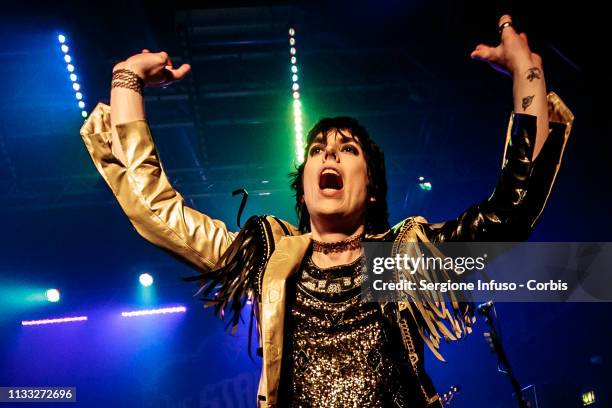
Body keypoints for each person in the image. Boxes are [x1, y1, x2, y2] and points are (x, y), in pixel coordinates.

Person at [80, 15, 574, 408]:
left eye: (348, 149)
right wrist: (126, 81)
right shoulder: (271, 258)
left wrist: (526, 74)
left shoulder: (399, 261)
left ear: (374, 189)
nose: (330, 154)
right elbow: (157, 212)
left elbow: (510, 211)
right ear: (307, 182)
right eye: (318, 148)